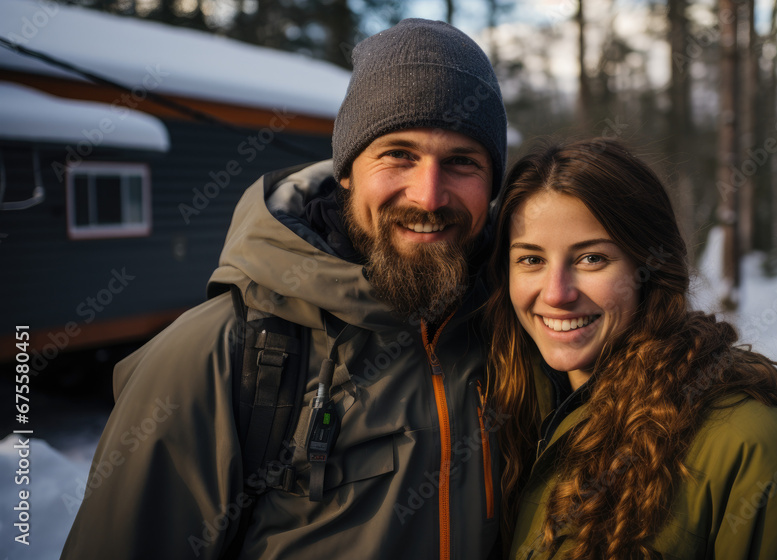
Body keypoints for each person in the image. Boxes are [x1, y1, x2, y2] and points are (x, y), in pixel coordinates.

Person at [62, 19, 506, 559]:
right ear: (347, 171)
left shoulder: (515, 331)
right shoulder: (216, 356)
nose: (429, 195)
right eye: (398, 154)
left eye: (462, 161)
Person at [484, 139, 777, 560]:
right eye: (530, 260)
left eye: (592, 259)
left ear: (650, 268)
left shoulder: (757, 452)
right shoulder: (514, 421)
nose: (556, 293)